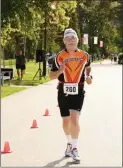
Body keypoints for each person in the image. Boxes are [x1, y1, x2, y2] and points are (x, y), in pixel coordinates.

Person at [49, 28, 92, 163]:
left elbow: (88, 66)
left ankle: (74, 148)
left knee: (74, 120)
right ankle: (69, 143)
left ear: (77, 40)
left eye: (72, 38)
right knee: (66, 121)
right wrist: (59, 71)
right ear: (64, 41)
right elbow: (51, 76)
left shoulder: (85, 55)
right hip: (63, 90)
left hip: (78, 90)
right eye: (67, 38)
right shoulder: (59, 57)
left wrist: (88, 76)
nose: (70, 40)